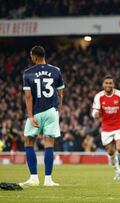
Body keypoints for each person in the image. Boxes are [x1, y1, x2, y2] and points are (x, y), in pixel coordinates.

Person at [20, 45, 64, 187]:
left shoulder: (28, 73)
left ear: (35, 56)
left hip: (37, 111)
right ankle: (48, 179)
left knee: (28, 142)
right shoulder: (56, 71)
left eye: (31, 56)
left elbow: (28, 96)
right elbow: (60, 93)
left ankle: (33, 178)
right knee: (49, 144)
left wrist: (30, 116)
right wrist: (59, 109)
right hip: (52, 111)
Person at [92, 75, 120, 181]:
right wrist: (95, 114)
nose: (108, 85)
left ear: (113, 84)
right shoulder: (99, 96)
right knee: (111, 152)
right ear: (103, 85)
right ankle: (117, 171)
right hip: (106, 128)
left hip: (119, 126)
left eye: (110, 83)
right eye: (106, 83)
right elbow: (94, 112)